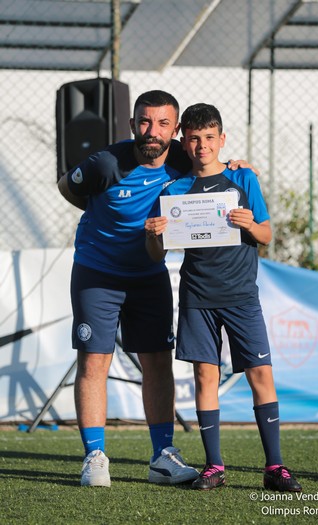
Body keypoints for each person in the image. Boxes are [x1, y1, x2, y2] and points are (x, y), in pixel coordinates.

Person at [58, 90, 254, 487]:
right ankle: (95, 456)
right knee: (95, 362)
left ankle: (162, 457)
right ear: (132, 125)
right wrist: (101, 215)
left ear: (176, 130)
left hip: (149, 274)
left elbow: (217, 168)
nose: (153, 131)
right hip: (98, 273)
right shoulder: (106, 163)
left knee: (158, 362)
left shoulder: (185, 159)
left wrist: (237, 167)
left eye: (163, 123)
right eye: (144, 122)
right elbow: (67, 186)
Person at [144, 102, 302, 492]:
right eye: (194, 139)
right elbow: (156, 253)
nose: (202, 146)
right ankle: (214, 465)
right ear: (184, 141)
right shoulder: (174, 190)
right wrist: (153, 234)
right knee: (204, 376)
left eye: (209, 138)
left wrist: (251, 224)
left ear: (222, 139)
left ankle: (275, 467)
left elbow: (266, 235)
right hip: (198, 296)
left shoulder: (243, 179)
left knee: (260, 374)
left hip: (242, 296)